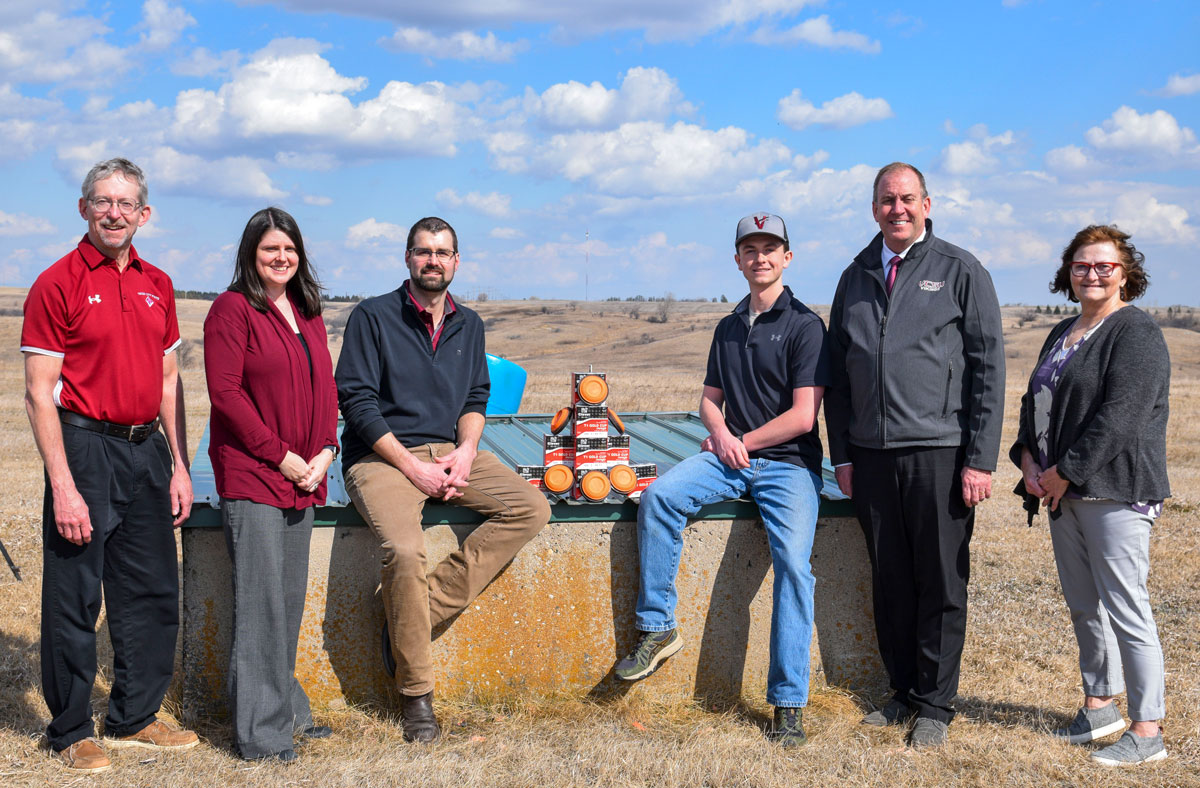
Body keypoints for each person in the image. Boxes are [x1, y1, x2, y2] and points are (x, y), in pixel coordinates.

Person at [612, 213, 830, 747]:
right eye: (749, 249)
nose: (760, 257)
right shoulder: (728, 326)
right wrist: (721, 434)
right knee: (660, 496)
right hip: (730, 457)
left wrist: (739, 441)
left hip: (788, 466)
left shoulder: (805, 325)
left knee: (794, 571)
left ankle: (787, 703)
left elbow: (804, 416)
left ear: (787, 257)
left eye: (770, 248)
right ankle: (659, 625)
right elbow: (710, 402)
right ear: (737, 260)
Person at [335, 216, 551, 743]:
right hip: (383, 456)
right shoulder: (373, 316)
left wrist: (467, 451)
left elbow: (476, 398)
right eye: (423, 251)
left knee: (532, 508)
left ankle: (414, 614)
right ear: (407, 258)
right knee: (406, 552)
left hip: (453, 451)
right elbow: (357, 403)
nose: (433, 260)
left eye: (443, 252)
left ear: (456, 261)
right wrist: (414, 468)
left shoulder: (469, 323)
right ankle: (416, 698)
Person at [21, 158, 198, 774]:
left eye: (127, 204)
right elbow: (40, 392)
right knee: (75, 592)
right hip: (85, 447)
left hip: (146, 445)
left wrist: (178, 465)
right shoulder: (57, 282)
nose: (114, 213)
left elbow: (170, 382)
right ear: (84, 208)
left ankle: (135, 715)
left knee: (150, 588)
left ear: (144, 214)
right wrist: (64, 486)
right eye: (103, 201)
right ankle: (70, 729)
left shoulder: (160, 283)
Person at [824, 162, 1005, 748]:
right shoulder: (854, 276)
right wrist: (843, 456)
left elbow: (988, 370)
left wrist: (979, 459)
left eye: (907, 199)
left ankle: (935, 703)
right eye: (885, 200)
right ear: (873, 207)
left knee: (940, 582)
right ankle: (901, 692)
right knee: (892, 581)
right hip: (872, 458)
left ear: (927, 203)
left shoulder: (960, 270)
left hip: (940, 453)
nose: (896, 209)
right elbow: (840, 377)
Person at [1011, 225, 1169, 766]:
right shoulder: (1064, 331)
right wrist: (1028, 458)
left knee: (1127, 609)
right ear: (1068, 273)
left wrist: (1065, 472)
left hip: (1115, 492)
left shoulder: (1136, 333)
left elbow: (1120, 418)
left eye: (1105, 265)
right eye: (1082, 265)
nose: (1093, 274)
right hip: (1062, 493)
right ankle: (1100, 707)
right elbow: (1039, 401)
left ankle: (1148, 731)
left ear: (1126, 273)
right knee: (1085, 607)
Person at [203, 208, 339, 762]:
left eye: (288, 249)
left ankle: (284, 711)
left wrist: (325, 450)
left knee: (285, 602)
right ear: (250, 255)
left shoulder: (306, 310)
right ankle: (262, 738)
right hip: (256, 475)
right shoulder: (232, 310)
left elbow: (326, 386)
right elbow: (226, 395)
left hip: (304, 476)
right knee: (260, 607)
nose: (280, 258)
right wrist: (282, 457)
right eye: (268, 251)